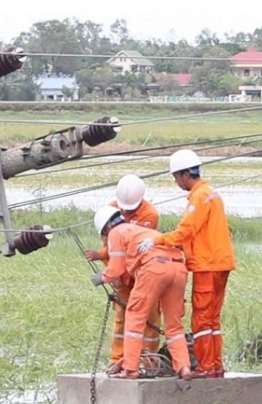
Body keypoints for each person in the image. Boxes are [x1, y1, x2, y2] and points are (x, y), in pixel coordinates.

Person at [91, 205, 193, 380]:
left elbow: (116, 269)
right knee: (174, 324)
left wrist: (101, 277)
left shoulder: (116, 233)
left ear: (106, 228)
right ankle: (184, 367)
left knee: (135, 315)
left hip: (154, 268)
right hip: (178, 268)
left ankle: (130, 369)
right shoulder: (143, 231)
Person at [159, 149, 235, 379]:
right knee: (212, 319)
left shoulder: (199, 197)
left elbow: (186, 230)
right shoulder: (211, 193)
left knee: (201, 318)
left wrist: (159, 240)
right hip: (220, 262)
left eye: (176, 177)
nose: (176, 182)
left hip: (207, 264)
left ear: (185, 174)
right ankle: (215, 366)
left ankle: (205, 366)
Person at [85, 175, 162, 372]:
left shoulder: (150, 215)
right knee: (121, 318)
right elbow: (111, 247)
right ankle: (118, 360)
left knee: (149, 317)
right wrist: (109, 267)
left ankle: (149, 361)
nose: (125, 212)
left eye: (130, 209)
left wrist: (108, 273)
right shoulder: (111, 211)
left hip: (142, 273)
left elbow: (137, 247)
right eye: (123, 209)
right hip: (120, 275)